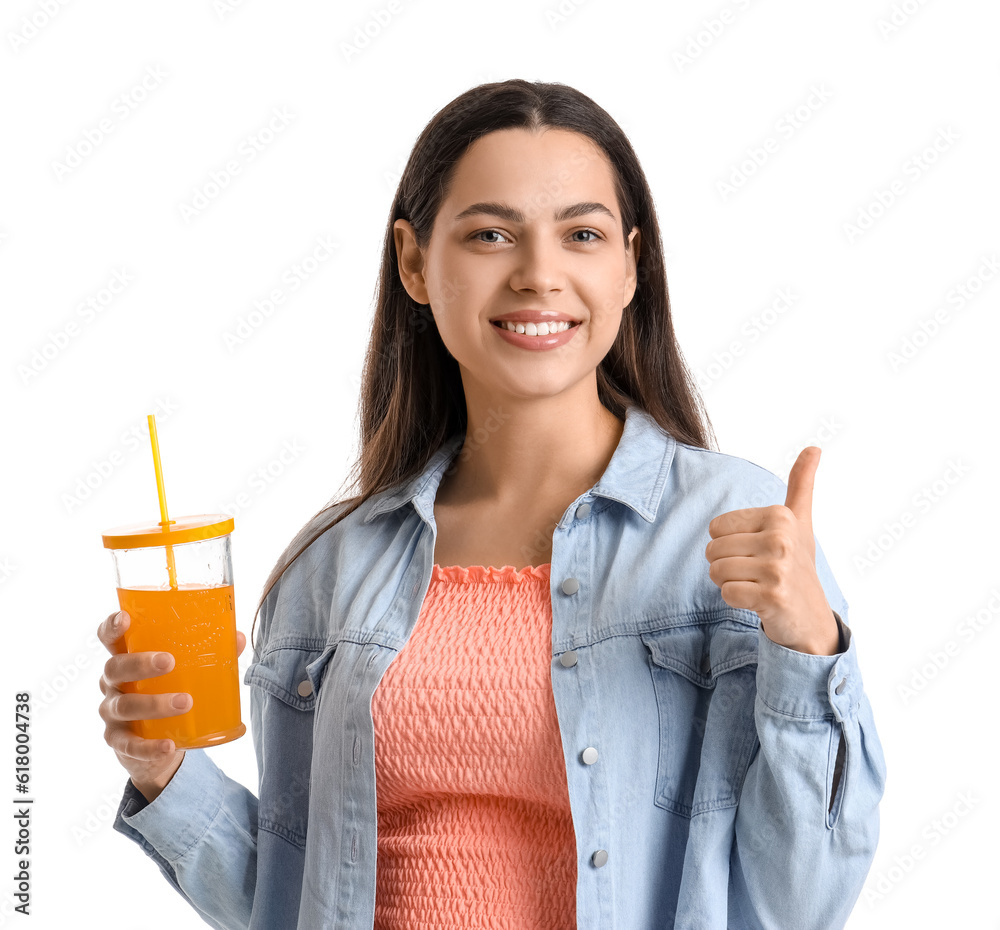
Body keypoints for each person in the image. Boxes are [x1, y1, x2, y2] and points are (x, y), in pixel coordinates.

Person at [99, 79, 886, 929]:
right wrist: (165, 772)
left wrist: (811, 647)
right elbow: (292, 898)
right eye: (490, 234)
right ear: (414, 263)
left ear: (630, 265)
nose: (539, 275)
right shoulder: (335, 564)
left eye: (581, 234)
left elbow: (800, 904)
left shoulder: (734, 531)